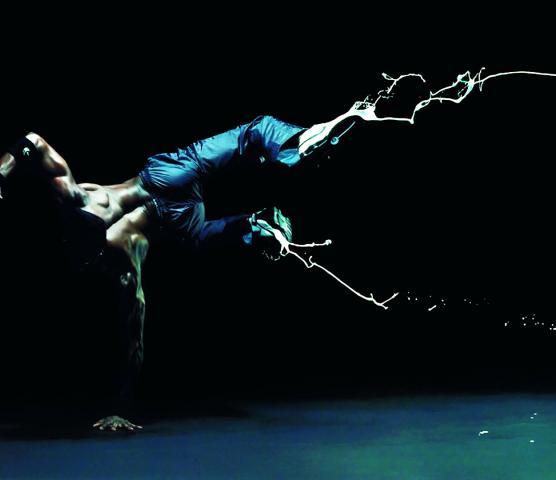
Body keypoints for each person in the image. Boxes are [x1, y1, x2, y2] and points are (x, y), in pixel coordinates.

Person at [0, 113, 355, 431]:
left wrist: (121, 407)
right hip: (165, 183)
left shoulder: (119, 252)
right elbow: (33, 143)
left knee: (197, 237)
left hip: (173, 209)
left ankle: (258, 222)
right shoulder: (80, 202)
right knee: (245, 139)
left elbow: (134, 338)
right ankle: (287, 155)